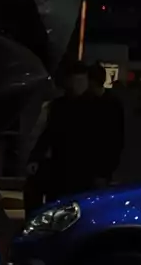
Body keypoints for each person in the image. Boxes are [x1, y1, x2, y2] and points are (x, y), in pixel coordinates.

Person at [25, 63, 124, 214]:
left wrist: (104, 171)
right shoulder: (61, 106)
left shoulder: (102, 106)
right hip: (64, 166)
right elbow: (49, 133)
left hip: (85, 169)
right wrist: (35, 158)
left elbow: (112, 142)